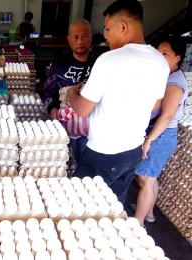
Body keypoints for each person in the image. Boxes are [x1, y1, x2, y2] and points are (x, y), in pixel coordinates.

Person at [66, 0, 170, 203]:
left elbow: (82, 109)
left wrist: (72, 94)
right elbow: (154, 106)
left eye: (107, 29)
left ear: (123, 27)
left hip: (105, 152)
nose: (105, 36)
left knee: (77, 206)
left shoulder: (109, 60)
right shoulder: (160, 61)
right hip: (133, 151)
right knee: (112, 209)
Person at [133, 37, 188, 227]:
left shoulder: (174, 83)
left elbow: (166, 116)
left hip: (162, 134)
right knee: (150, 176)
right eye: (158, 52)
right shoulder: (166, 75)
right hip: (160, 133)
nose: (159, 57)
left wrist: (149, 139)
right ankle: (148, 212)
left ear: (178, 57)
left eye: (165, 54)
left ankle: (138, 223)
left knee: (145, 179)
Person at [40, 18, 99, 165]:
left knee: (88, 166)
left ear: (91, 37)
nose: (80, 41)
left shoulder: (99, 63)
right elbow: (49, 90)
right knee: (65, 163)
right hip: (65, 124)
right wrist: (51, 107)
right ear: (69, 39)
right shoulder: (60, 64)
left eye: (85, 36)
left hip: (93, 127)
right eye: (75, 37)